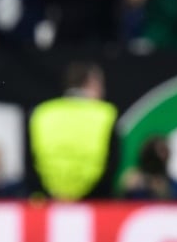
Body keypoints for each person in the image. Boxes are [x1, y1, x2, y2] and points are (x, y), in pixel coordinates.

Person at [27, 61, 118, 200]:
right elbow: (112, 165)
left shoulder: (41, 113)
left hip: (47, 203)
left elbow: (31, 162)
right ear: (91, 82)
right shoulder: (106, 115)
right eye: (101, 85)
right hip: (95, 204)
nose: (103, 91)